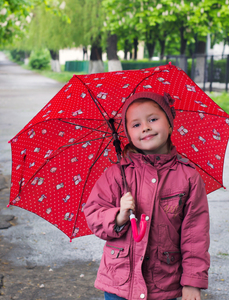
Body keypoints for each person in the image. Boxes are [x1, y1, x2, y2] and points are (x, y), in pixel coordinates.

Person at [84, 91, 210, 300]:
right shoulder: (116, 175)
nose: (146, 127)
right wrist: (118, 216)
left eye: (153, 119)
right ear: (128, 134)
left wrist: (192, 281)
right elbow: (94, 213)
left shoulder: (188, 177)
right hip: (119, 282)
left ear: (170, 124)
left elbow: (195, 234)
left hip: (164, 283)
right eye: (136, 125)